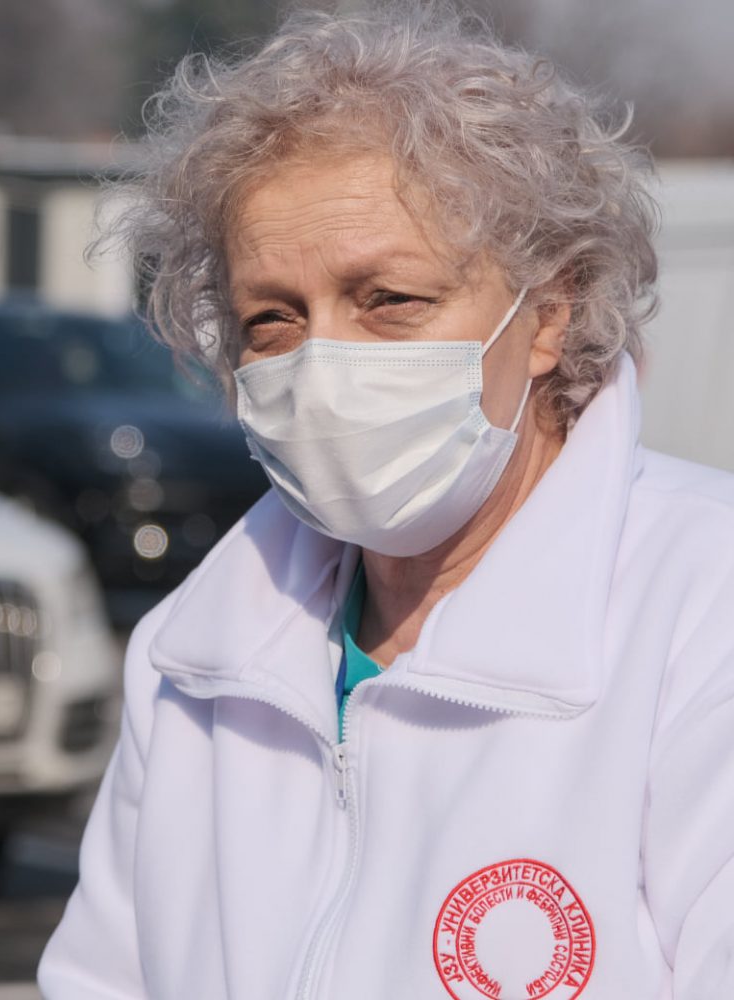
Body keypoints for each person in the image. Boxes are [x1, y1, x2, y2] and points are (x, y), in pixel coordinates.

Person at [38, 6, 734, 998]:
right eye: (271, 319)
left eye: (390, 301)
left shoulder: (700, 612)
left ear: (551, 309)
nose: (324, 363)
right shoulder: (192, 659)